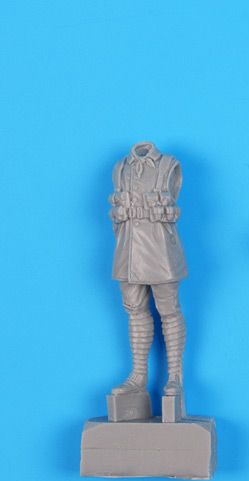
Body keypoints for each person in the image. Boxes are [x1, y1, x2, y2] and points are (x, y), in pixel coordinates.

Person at [107, 141, 187, 398]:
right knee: (134, 310)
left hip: (160, 249)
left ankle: (174, 376)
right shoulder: (120, 168)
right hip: (128, 249)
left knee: (169, 311)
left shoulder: (169, 165)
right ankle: (138, 375)